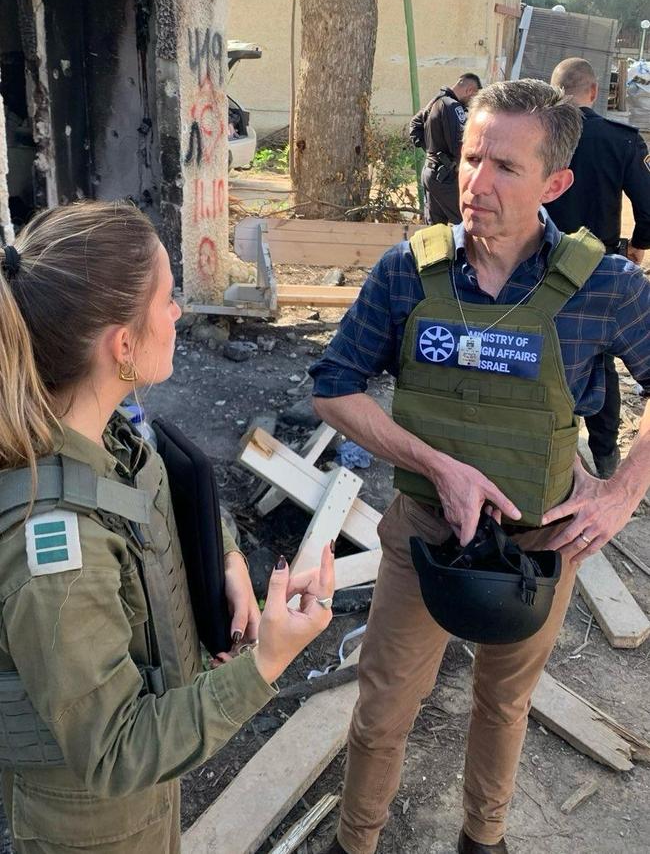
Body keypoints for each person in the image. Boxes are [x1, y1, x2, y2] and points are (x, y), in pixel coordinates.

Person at [310, 79, 650, 854]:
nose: (476, 183)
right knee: (386, 703)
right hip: (425, 535)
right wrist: (436, 463)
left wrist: (621, 490)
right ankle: (355, 841)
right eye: (470, 158)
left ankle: (483, 839)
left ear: (554, 184)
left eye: (503, 166)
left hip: (539, 548)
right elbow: (334, 388)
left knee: (505, 701)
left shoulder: (606, 285)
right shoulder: (408, 271)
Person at [0, 200, 335, 854]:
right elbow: (116, 749)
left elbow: (159, 495)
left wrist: (228, 555)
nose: (179, 313)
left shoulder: (110, 429)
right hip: (95, 829)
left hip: (150, 795)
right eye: (167, 298)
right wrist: (267, 661)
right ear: (122, 344)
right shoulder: (57, 554)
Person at [546, 56, 650, 479]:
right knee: (598, 354)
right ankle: (604, 458)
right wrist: (638, 249)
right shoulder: (619, 140)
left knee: (528, 345)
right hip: (596, 266)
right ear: (593, 92)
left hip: (531, 260)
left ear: (554, 90)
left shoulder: (536, 134)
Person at [409, 74, 482, 226]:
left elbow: (415, 126)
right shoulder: (453, 106)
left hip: (430, 174)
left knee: (435, 230)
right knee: (468, 224)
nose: (471, 104)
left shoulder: (436, 102)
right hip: (446, 178)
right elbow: (460, 144)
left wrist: (432, 151)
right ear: (470, 90)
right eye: (473, 98)